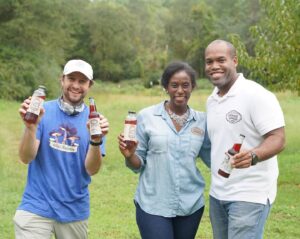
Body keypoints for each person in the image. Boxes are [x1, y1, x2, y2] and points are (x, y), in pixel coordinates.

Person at [14, 59, 109, 239]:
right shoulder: (42, 111)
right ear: (62, 80)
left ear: (90, 85)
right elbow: (26, 157)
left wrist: (96, 140)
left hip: (74, 210)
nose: (75, 85)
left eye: (82, 81)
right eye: (71, 79)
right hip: (36, 206)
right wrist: (30, 127)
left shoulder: (95, 122)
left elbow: (91, 169)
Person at [118, 61, 211, 239]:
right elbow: (137, 164)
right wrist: (130, 156)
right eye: (174, 85)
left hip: (190, 205)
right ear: (166, 87)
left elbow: (213, 158)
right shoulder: (147, 116)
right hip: (154, 204)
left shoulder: (202, 121)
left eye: (185, 85)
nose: (180, 90)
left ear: (193, 87)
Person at [204, 39, 285, 239]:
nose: (214, 66)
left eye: (221, 60)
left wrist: (254, 156)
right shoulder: (212, 99)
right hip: (218, 194)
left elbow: (278, 138)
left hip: (250, 194)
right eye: (209, 61)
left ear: (235, 61)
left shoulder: (256, 94)